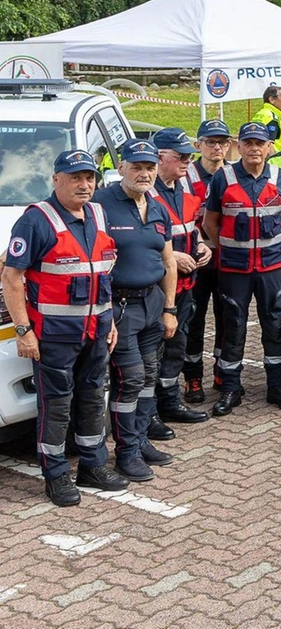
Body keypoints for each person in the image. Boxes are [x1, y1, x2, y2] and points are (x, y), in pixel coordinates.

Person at [2, 150, 130, 505]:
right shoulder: (36, 221)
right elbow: (11, 279)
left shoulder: (98, 214)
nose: (84, 185)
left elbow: (101, 273)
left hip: (96, 331)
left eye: (89, 178)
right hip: (53, 337)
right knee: (56, 406)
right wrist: (24, 332)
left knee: (91, 401)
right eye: (75, 178)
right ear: (56, 180)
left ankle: (93, 465)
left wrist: (109, 321)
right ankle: (56, 475)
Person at [94, 139, 179, 481]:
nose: (144, 174)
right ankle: (125, 452)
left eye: (149, 168)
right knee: (129, 379)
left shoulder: (157, 206)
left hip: (152, 303)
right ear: (121, 169)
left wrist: (169, 307)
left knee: (148, 377)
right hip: (120, 306)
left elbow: (168, 261)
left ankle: (140, 439)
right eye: (136, 167)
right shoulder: (101, 204)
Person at [202, 122, 281, 415]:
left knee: (275, 325)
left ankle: (278, 387)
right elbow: (210, 223)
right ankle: (230, 388)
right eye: (249, 143)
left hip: (272, 268)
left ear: (269, 148)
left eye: (260, 144)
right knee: (233, 326)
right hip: (235, 269)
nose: (255, 149)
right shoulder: (222, 179)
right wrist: (230, 247)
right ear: (238, 146)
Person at [147, 129, 211, 438]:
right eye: (181, 156)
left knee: (177, 345)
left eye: (189, 156)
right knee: (153, 351)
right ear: (160, 157)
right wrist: (175, 258)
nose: (188, 161)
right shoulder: (147, 194)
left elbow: (193, 228)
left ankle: (170, 401)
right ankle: (150, 412)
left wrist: (201, 247)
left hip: (185, 286)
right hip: (156, 289)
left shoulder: (186, 190)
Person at [183, 119, 233, 404]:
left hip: (226, 256)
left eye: (222, 142)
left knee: (227, 316)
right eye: (210, 142)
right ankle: (192, 376)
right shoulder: (186, 176)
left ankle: (221, 370)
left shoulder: (232, 173)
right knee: (194, 317)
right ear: (197, 145)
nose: (217, 148)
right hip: (197, 258)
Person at [251, 85, 281, 151]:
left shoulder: (260, 113)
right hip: (276, 159)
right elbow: (270, 145)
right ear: (271, 99)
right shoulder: (272, 117)